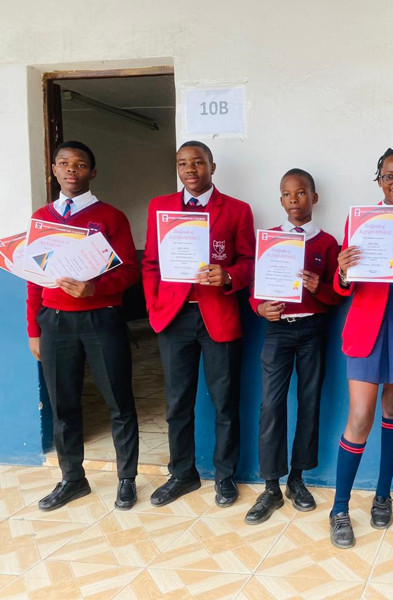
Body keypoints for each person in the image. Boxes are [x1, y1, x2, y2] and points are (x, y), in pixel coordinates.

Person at [329, 145, 393, 548]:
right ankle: (340, 508)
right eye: (389, 176)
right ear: (379, 181)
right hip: (367, 323)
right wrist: (342, 269)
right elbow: (345, 283)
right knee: (360, 416)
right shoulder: (360, 221)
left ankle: (383, 495)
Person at [28, 141, 140, 511]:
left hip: (101, 318)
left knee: (119, 401)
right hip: (55, 323)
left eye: (79, 164)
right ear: (54, 170)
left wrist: (96, 288)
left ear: (92, 172)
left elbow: (130, 270)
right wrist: (33, 330)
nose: (71, 170)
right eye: (64, 163)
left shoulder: (111, 217)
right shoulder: (42, 219)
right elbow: (33, 279)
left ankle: (126, 479)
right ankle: (72, 479)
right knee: (63, 405)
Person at [142, 141, 255, 508]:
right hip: (173, 317)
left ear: (212, 166)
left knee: (225, 402)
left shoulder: (237, 209)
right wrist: (155, 306)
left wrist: (229, 276)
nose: (190, 169)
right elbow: (151, 264)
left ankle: (225, 476)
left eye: (198, 162)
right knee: (177, 403)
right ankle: (182, 474)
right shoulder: (160, 207)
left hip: (218, 316)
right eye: (182, 163)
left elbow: (249, 261)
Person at [245, 168, 341, 524]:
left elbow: (335, 296)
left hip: (313, 329)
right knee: (271, 405)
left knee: (309, 401)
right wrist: (260, 308)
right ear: (281, 200)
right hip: (278, 331)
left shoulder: (327, 243)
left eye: (301, 193)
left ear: (314, 197)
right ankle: (271, 486)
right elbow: (255, 289)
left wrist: (319, 288)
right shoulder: (270, 239)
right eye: (286, 194)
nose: (294, 200)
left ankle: (297, 479)